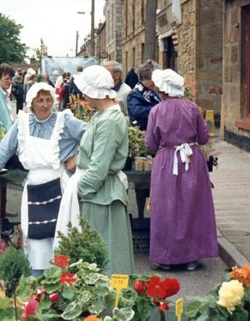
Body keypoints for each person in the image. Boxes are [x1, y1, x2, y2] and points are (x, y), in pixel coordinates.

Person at [0, 82, 87, 276]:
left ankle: (63, 284)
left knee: (61, 236)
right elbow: (2, 154)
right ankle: (38, 284)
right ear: (31, 103)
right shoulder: (22, 124)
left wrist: (77, 158)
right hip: (33, 188)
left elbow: (93, 135)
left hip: (60, 186)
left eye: (48, 99)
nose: (45, 104)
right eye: (40, 100)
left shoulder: (64, 121)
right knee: (36, 240)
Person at [145, 69, 218, 271]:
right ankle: (191, 256)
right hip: (191, 159)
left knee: (166, 208)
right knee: (192, 207)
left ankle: (167, 257)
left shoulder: (156, 111)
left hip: (167, 160)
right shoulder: (193, 108)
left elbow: (150, 143)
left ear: (162, 90)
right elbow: (204, 138)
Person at [72, 65, 134, 276]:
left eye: (85, 90)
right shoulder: (102, 115)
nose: (82, 95)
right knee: (97, 254)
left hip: (102, 196)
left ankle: (110, 306)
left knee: (106, 255)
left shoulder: (110, 120)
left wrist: (77, 190)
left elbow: (99, 168)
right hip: (98, 194)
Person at [127, 59, 162, 220]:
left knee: (157, 181)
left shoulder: (153, 91)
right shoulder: (135, 93)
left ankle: (156, 213)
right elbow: (136, 111)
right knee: (142, 183)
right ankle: (141, 215)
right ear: (146, 78)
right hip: (143, 141)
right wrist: (158, 110)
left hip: (158, 138)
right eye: (153, 80)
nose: (155, 84)